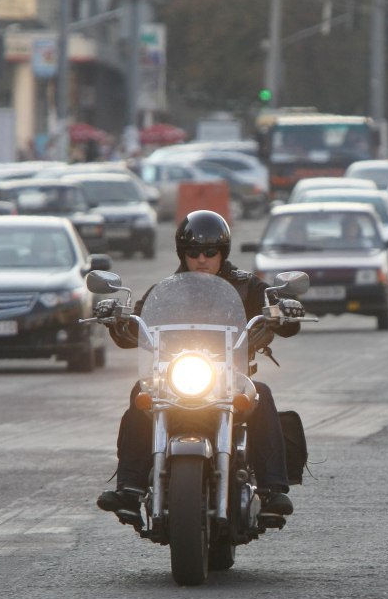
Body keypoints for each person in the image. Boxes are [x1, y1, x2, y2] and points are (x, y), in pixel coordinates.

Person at [96, 210, 304, 523]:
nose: (202, 259)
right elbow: (136, 331)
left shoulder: (246, 287)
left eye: (210, 252)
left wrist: (284, 309)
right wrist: (116, 318)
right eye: (194, 253)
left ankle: (273, 489)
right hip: (174, 377)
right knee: (142, 391)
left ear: (223, 253)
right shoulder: (166, 290)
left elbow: (284, 323)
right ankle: (131, 488)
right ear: (183, 254)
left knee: (261, 393)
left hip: (229, 378)